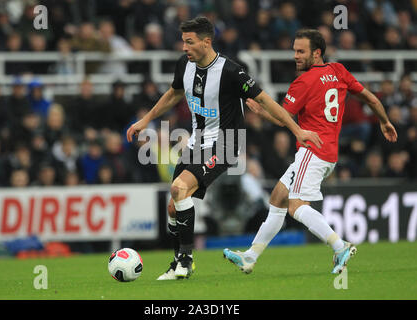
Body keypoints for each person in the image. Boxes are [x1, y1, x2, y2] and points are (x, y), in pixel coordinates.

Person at [126, 17, 322, 280]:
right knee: (174, 206)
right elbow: (174, 93)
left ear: (207, 42)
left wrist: (297, 130)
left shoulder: (231, 72)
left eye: (189, 42)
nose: (184, 47)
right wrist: (146, 120)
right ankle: (178, 263)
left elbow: (265, 100)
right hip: (196, 142)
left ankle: (185, 261)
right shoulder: (184, 64)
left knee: (179, 188)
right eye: (183, 41)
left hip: (226, 144)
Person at [223, 29, 398, 275]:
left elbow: (284, 119)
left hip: (311, 150)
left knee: (295, 206)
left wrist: (261, 112)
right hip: (329, 152)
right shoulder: (338, 71)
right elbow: (371, 99)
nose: (295, 55)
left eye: (300, 51)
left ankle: (340, 246)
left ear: (316, 53)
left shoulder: (304, 82)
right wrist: (384, 122)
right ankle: (250, 257)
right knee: (278, 198)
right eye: (294, 50)